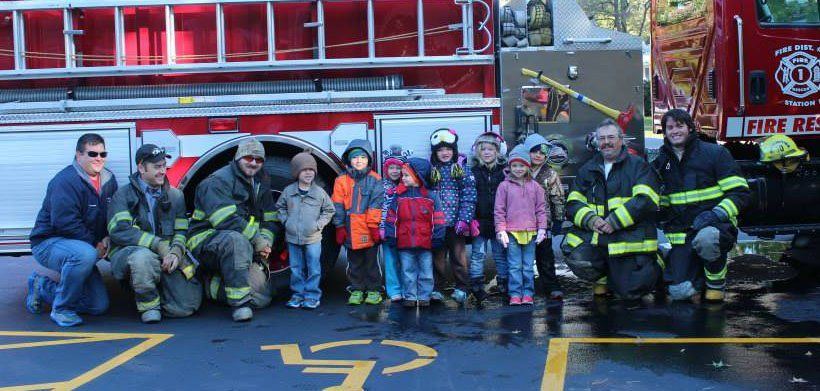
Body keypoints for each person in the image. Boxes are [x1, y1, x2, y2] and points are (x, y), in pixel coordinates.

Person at [652, 109, 750, 302]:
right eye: (669, 127)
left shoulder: (715, 153)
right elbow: (660, 201)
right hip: (682, 235)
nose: (674, 131)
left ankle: (716, 284)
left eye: (679, 126)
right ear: (664, 132)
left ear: (690, 128)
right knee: (680, 292)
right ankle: (671, 259)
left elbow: (740, 192)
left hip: (714, 226)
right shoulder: (661, 163)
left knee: (707, 240)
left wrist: (716, 215)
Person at [563, 119, 662, 300]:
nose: (606, 142)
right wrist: (591, 219)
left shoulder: (638, 165)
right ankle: (602, 277)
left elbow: (646, 200)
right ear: (596, 142)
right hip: (599, 238)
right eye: (602, 138)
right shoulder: (588, 169)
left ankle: (657, 263)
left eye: (611, 137)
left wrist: (614, 222)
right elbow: (572, 203)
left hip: (628, 238)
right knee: (577, 255)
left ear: (621, 139)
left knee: (630, 293)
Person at [27, 133, 117, 326]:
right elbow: (65, 223)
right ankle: (62, 310)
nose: (98, 158)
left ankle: (41, 286)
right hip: (50, 243)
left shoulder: (109, 180)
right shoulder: (65, 181)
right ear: (78, 155)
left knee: (98, 306)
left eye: (103, 154)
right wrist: (95, 244)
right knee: (83, 255)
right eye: (92, 153)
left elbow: (113, 214)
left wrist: (108, 237)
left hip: (82, 245)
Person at [107, 144, 202, 323]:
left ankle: (156, 287)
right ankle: (148, 306)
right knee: (142, 258)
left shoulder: (175, 196)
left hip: (165, 256)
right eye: (157, 167)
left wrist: (176, 251)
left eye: (164, 166)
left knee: (187, 306)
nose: (162, 171)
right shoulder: (123, 196)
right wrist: (158, 245)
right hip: (132, 254)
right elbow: (119, 231)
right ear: (141, 168)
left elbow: (181, 230)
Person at [187, 138, 278, 321]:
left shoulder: (260, 181)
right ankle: (240, 305)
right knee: (237, 240)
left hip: (241, 240)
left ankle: (215, 283)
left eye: (258, 160)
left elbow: (270, 217)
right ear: (238, 157)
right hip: (206, 240)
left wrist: (266, 242)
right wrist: (258, 240)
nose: (253, 163)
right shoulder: (217, 181)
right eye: (249, 157)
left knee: (262, 298)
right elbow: (226, 219)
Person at [383, 158, 446, 307]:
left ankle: (424, 296)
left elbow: (438, 218)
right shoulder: (399, 196)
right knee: (407, 271)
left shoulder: (431, 196)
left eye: (406, 175)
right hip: (404, 243)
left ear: (418, 176)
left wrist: (438, 236)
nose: (402, 177)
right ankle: (410, 296)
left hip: (425, 243)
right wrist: (391, 235)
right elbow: (391, 217)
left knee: (426, 272)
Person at [277, 151, 335, 310]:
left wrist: (319, 225)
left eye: (311, 170)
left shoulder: (319, 192)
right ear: (296, 172)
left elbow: (329, 210)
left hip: (313, 239)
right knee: (296, 269)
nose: (308, 173)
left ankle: (312, 296)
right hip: (292, 238)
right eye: (304, 170)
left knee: (314, 268)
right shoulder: (289, 191)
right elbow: (280, 207)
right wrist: (286, 221)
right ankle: (297, 295)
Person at [332, 139, 385, 305]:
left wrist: (374, 227)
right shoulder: (341, 181)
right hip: (350, 231)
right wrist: (339, 226)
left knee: (372, 264)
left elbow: (376, 205)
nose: (359, 160)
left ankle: (374, 290)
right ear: (349, 160)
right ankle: (356, 289)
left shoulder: (375, 180)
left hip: (369, 231)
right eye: (355, 157)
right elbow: (337, 205)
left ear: (369, 159)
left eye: (363, 157)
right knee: (354, 263)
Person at [494, 145, 549, 305]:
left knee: (527, 266)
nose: (518, 169)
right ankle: (515, 294)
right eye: (514, 165)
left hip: (530, 232)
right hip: (511, 233)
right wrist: (501, 230)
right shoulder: (504, 186)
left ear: (527, 167)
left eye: (522, 165)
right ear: (510, 167)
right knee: (514, 266)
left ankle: (528, 294)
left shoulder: (535, 187)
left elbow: (541, 209)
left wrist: (542, 228)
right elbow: (499, 210)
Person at [428, 128, 477, 304]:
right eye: (440, 150)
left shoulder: (461, 169)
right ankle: (436, 288)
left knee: (459, 258)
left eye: (448, 149)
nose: (445, 153)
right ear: (435, 152)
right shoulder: (431, 170)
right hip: (437, 225)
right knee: (437, 259)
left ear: (454, 150)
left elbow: (469, 195)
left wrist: (464, 219)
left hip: (456, 224)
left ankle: (462, 287)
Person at [523, 133, 566, 300]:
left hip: (543, 224)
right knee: (523, 258)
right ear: (527, 152)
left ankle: (551, 285)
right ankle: (524, 287)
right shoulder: (519, 170)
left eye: (542, 152)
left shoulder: (550, 174)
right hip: (522, 223)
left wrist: (558, 220)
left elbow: (558, 197)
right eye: (534, 152)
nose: (538, 155)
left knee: (545, 256)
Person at [468, 132, 508, 302]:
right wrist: (471, 219)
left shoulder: (504, 171)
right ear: (478, 152)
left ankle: (504, 283)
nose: (486, 152)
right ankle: (476, 285)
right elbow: (469, 196)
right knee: (478, 254)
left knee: (500, 254)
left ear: (497, 152)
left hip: (498, 221)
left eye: (490, 149)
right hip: (479, 220)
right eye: (483, 149)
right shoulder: (473, 171)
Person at [380, 145, 407, 302]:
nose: (395, 171)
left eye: (398, 168)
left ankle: (407, 287)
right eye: (391, 168)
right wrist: (382, 227)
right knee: (390, 261)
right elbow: (381, 209)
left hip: (404, 231)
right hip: (388, 230)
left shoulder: (407, 186)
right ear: (386, 169)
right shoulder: (382, 187)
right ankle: (394, 289)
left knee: (406, 260)